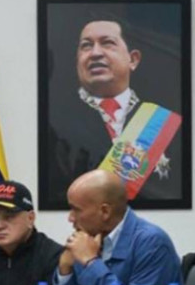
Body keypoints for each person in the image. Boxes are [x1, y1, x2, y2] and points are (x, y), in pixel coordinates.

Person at [47, 17, 182, 207]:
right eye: (86, 46)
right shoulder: (58, 124)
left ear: (133, 59)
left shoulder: (163, 123)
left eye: (107, 43)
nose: (95, 53)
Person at [53, 169, 183, 285]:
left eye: (76, 210)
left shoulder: (152, 243)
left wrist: (91, 263)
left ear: (105, 211)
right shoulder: (87, 241)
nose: (70, 218)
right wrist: (65, 271)